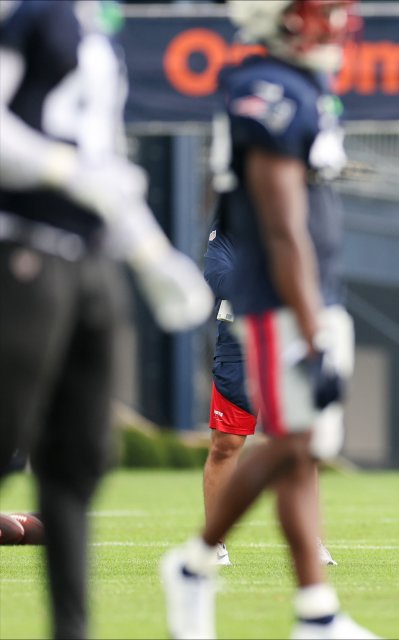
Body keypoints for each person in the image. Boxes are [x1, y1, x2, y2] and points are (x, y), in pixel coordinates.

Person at [160, 2, 375, 639]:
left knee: (300, 447)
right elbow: (281, 227)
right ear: (280, 19)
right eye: (318, 12)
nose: (335, 25)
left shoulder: (304, 85)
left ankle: (315, 610)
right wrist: (311, 327)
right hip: (278, 299)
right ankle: (198, 563)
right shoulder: (269, 88)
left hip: (308, 292)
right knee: (292, 443)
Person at [0, 1, 212, 638]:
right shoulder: (30, 15)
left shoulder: (102, 30)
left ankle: (73, 630)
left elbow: (109, 173)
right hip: (23, 247)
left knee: (78, 461)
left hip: (91, 263)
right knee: (7, 439)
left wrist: (153, 258)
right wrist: (63, 171)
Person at [202, 217, 336, 568]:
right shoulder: (230, 224)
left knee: (302, 443)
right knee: (226, 444)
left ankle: (310, 538)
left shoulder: (301, 222)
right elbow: (218, 277)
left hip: (290, 339)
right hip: (239, 342)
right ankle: (213, 542)